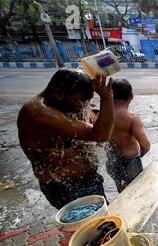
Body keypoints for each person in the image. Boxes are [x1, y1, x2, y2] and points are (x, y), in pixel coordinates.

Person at [17, 68, 114, 209]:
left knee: (102, 223)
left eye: (86, 101)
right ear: (58, 93)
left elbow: (95, 128)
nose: (83, 106)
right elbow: (101, 135)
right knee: (93, 227)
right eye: (78, 100)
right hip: (67, 187)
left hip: (86, 181)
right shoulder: (39, 113)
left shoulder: (65, 105)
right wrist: (106, 97)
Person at [106, 79, 150, 193]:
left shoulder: (102, 115)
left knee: (122, 192)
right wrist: (139, 157)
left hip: (112, 161)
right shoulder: (131, 118)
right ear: (131, 96)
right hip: (130, 162)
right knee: (136, 193)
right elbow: (145, 145)